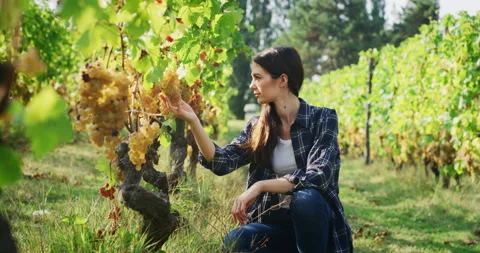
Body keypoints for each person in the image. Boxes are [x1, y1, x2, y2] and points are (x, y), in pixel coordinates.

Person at [160, 46, 353, 253]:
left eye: (258, 77)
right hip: (275, 224)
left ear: (282, 80)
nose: (252, 85)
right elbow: (220, 161)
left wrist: (260, 185)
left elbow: (318, 176)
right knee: (236, 240)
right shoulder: (258, 126)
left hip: (316, 228)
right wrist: (193, 120)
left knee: (305, 199)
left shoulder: (322, 118)